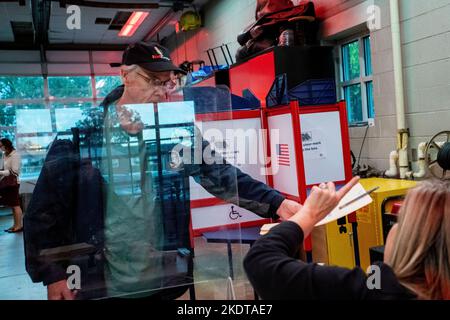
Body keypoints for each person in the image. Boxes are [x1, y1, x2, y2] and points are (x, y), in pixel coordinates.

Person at [24, 42, 302, 300]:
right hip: (100, 280)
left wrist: (277, 203)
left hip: (162, 276)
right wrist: (53, 274)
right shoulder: (82, 131)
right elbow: (45, 208)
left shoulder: (174, 131)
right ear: (125, 76)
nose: (162, 91)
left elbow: (218, 172)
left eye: (167, 83)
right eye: (153, 81)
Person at [244, 178, 450, 300]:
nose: (393, 229)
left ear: (413, 244)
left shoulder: (370, 290)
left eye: (400, 222)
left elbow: (260, 263)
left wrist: (309, 214)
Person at [0, 138, 22, 233]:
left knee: (16, 205)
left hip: (13, 183)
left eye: (0, 145)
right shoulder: (4, 155)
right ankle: (15, 225)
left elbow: (15, 172)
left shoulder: (15, 155)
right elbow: (2, 168)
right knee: (12, 205)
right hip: (6, 183)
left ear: (6, 145)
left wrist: (1, 172)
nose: (0, 147)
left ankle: (19, 226)